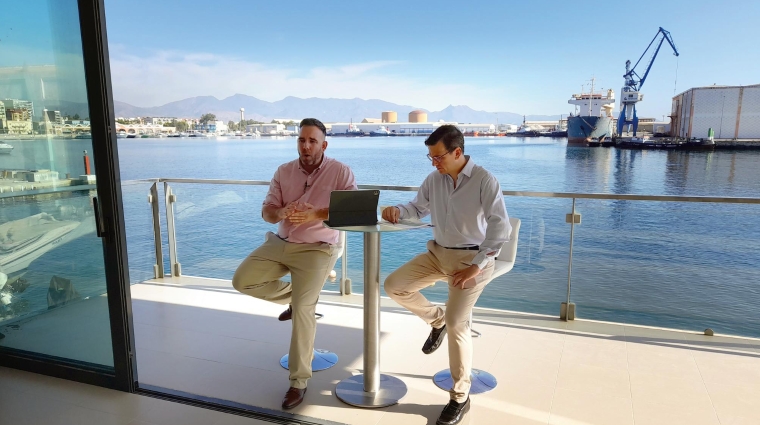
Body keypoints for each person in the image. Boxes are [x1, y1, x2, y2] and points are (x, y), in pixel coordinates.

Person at [382, 125, 510, 425]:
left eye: (438, 157)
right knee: (394, 286)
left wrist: (476, 266)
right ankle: (434, 319)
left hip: (472, 259)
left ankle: (460, 397)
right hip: (438, 254)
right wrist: (397, 211)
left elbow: (499, 228)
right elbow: (417, 207)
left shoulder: (484, 180)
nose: (434, 163)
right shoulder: (434, 179)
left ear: (457, 152)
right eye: (430, 158)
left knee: (457, 323)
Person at [232, 118, 356, 409]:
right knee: (242, 281)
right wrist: (280, 212)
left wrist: (316, 214)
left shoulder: (340, 171)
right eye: (302, 140)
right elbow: (267, 211)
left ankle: (298, 382)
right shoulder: (283, 171)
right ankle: (299, 296)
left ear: (323, 144)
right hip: (281, 242)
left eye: (312, 140)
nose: (306, 145)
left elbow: (353, 211)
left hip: (318, 248)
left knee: (303, 311)